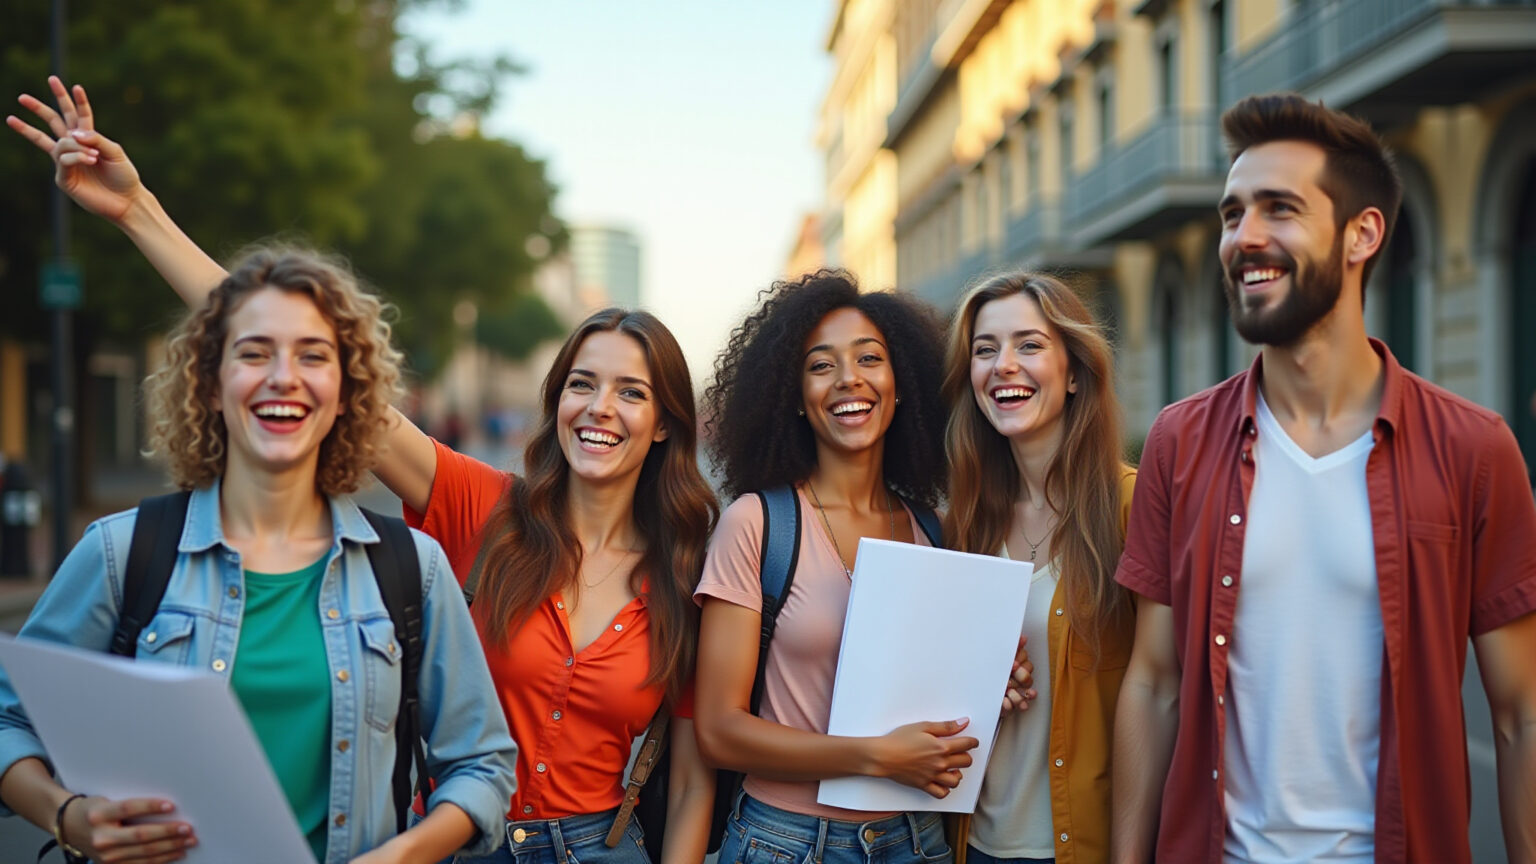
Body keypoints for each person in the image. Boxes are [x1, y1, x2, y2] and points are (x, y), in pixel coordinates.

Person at [7, 77, 719, 864]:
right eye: (582, 384)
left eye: (631, 393)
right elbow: (288, 345)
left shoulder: (688, 568)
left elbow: (691, 783)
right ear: (556, 401)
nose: (600, 409)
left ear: (662, 426)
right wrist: (136, 211)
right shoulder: (486, 510)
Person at [1110, 93, 1536, 864]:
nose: (1245, 237)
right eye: (1232, 214)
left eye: (1279, 209)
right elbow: (1153, 680)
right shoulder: (1180, 442)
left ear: (1361, 234)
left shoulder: (1474, 449)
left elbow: (1520, 713)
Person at [0, 246, 518, 864]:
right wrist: (69, 816)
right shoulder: (120, 553)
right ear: (211, 385)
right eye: (253, 352)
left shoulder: (414, 569)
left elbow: (483, 764)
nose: (283, 376)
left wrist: (403, 855)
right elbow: (10, 722)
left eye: (312, 355)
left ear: (348, 392)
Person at [693, 269, 971, 864]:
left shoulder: (936, 530)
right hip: (787, 843)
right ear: (794, 396)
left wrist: (1000, 672)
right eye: (821, 365)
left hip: (916, 840)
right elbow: (717, 730)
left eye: (870, 359)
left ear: (901, 386)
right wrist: (872, 755)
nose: (849, 379)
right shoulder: (757, 525)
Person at [941, 273, 1136, 864]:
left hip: (1085, 848)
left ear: (1074, 372)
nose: (1003, 365)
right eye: (985, 349)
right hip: (971, 846)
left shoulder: (1134, 508)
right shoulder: (959, 526)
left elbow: (1166, 694)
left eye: (1029, 345)